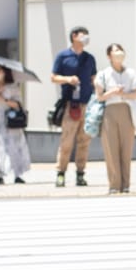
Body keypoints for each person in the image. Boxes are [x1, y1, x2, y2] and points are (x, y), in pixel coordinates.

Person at [51, 26, 98, 187]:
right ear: (74, 36)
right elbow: (53, 77)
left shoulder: (89, 58)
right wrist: (67, 79)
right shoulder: (63, 56)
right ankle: (61, 173)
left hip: (87, 102)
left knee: (84, 141)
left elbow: (94, 78)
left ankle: (80, 173)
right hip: (71, 104)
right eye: (83, 35)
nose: (86, 38)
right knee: (67, 141)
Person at [95, 43, 136, 194]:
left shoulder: (130, 73)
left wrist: (124, 94)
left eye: (120, 50)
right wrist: (114, 92)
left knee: (126, 148)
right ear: (109, 56)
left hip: (126, 110)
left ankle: (126, 184)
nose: (119, 53)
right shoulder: (103, 74)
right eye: (115, 51)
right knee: (111, 148)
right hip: (110, 111)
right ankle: (114, 184)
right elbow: (100, 97)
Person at [0, 65, 31, 186]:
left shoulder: (12, 87)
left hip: (9, 120)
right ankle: (0, 174)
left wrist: (5, 100)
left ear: (5, 72)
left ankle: (17, 174)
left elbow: (18, 104)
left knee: (14, 147)